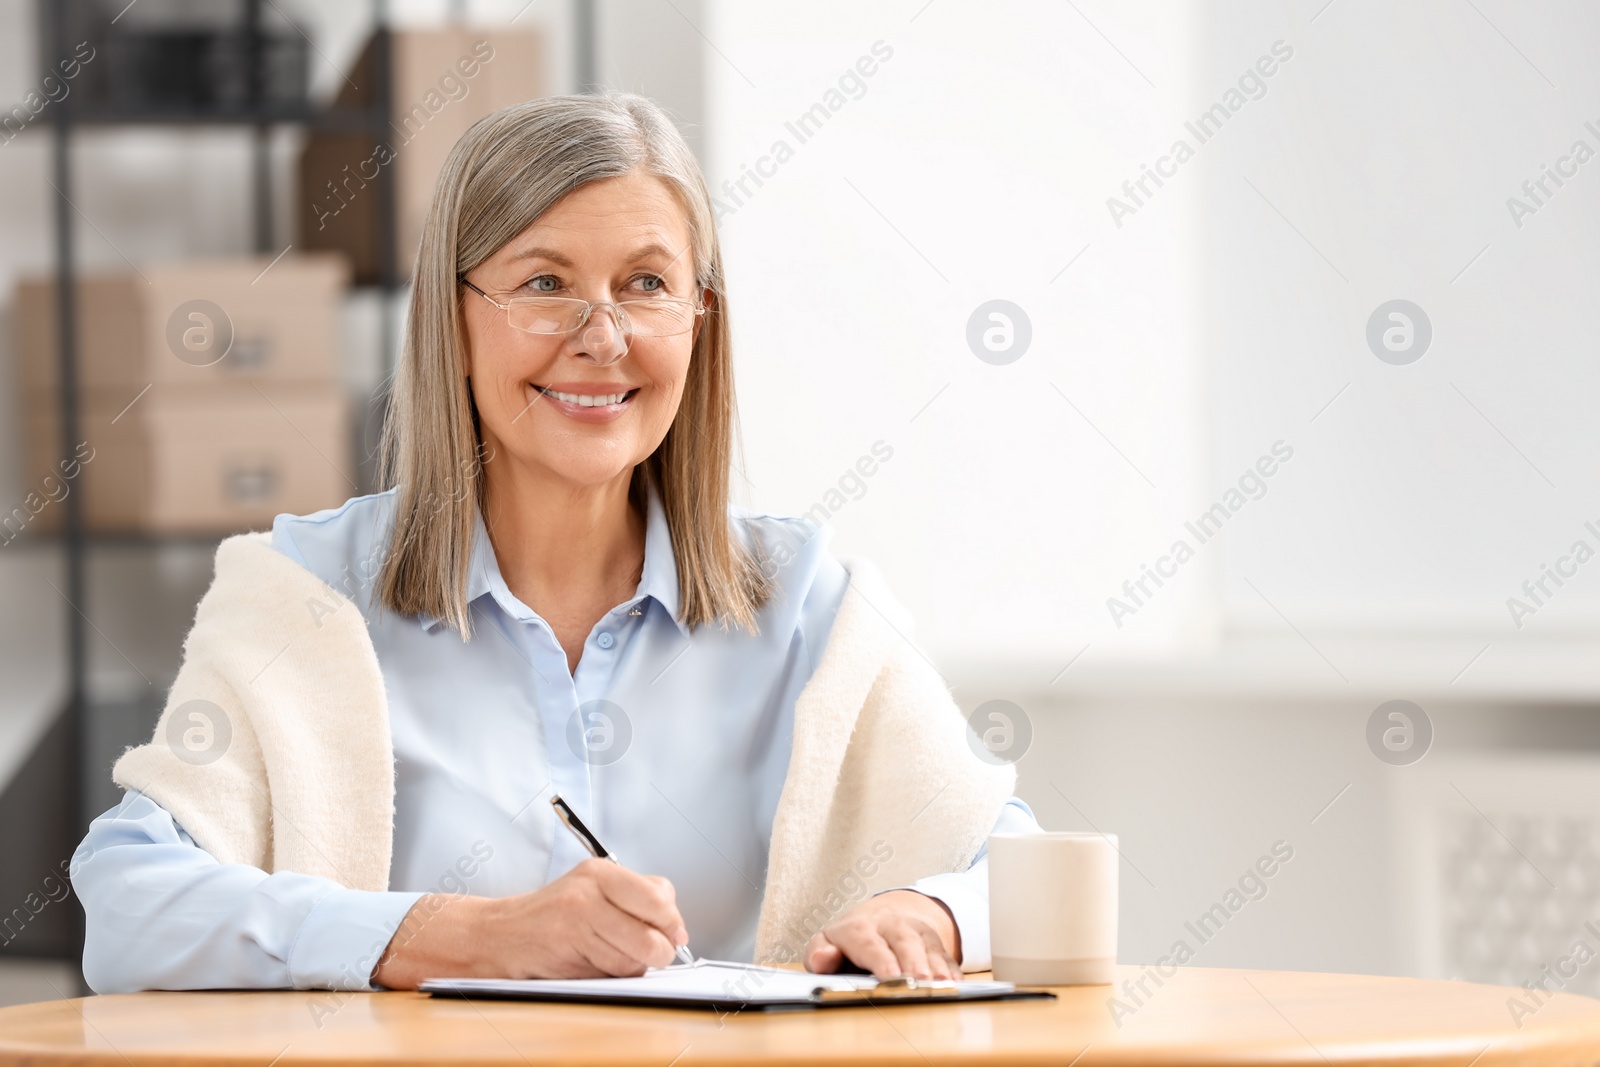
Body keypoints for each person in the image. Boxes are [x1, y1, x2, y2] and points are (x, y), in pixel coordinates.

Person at [72, 93, 1041, 994]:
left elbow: (1018, 861)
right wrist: (460, 933)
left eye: (648, 284)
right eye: (545, 283)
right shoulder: (307, 593)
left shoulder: (804, 601)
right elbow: (128, 907)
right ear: (453, 318)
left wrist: (931, 911)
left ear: (700, 318)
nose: (603, 336)